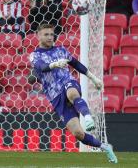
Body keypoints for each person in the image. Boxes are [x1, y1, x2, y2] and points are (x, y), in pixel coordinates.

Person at [29, 24, 118, 164]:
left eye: (51, 34)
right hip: (55, 96)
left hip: (68, 82)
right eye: (46, 34)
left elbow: (76, 64)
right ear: (38, 36)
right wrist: (55, 64)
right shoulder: (35, 55)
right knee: (78, 133)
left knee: (72, 93)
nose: (50, 37)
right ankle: (105, 147)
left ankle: (88, 117)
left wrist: (94, 78)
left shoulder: (61, 50)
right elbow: (41, 66)